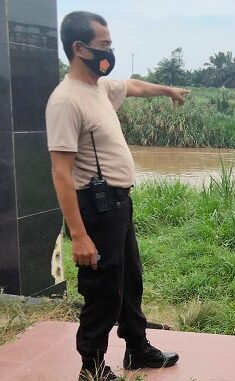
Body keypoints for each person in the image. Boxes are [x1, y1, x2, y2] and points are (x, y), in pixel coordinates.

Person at [46, 11, 188, 381]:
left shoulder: (99, 88)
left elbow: (134, 85)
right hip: (94, 207)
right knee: (103, 290)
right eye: (104, 45)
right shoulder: (65, 101)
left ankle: (137, 348)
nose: (110, 52)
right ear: (80, 48)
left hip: (118, 204)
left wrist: (168, 91)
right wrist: (78, 235)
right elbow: (61, 173)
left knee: (129, 281)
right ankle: (91, 367)